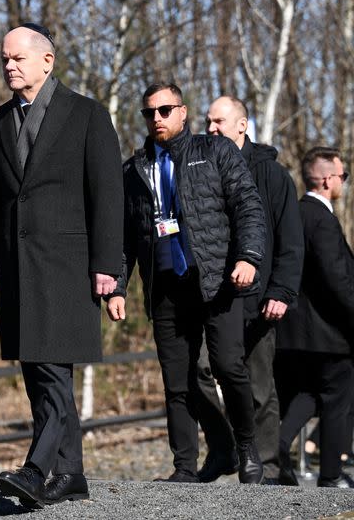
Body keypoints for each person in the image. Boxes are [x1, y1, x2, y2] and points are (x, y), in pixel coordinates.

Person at [0, 23, 123, 507]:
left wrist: (109, 267)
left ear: (47, 61)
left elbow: (108, 197)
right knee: (37, 372)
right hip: (17, 268)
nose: (9, 66)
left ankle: (37, 470)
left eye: (18, 58)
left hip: (68, 268)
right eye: (5, 59)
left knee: (54, 371)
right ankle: (71, 474)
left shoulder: (87, 115)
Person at [107, 83, 267, 484]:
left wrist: (248, 257)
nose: (156, 119)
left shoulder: (214, 151)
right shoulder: (134, 169)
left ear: (183, 112)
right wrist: (118, 286)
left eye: (164, 110)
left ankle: (246, 447)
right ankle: (184, 467)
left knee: (230, 368)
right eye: (149, 113)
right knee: (177, 382)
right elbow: (125, 236)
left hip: (216, 281)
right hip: (166, 287)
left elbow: (247, 206)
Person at [194, 96, 303, 484]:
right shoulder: (201, 168)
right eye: (207, 121)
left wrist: (281, 291)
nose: (210, 129)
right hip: (211, 298)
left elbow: (291, 241)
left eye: (218, 122)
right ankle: (225, 448)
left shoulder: (272, 175)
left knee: (258, 386)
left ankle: (270, 467)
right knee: (199, 371)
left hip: (259, 299)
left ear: (242, 126)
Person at [275, 147, 354, 488]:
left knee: (308, 394)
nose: (344, 183)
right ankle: (332, 476)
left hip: (294, 332)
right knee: (339, 399)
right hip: (329, 333)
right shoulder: (322, 220)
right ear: (326, 179)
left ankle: (275, 446)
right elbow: (337, 279)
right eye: (342, 176)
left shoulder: (292, 213)